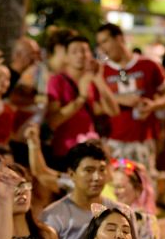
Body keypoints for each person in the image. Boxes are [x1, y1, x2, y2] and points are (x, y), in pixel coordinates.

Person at [96, 23, 165, 174]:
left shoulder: (149, 65)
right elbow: (96, 106)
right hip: (114, 142)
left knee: (145, 186)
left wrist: (153, 105)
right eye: (100, 44)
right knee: (117, 189)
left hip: (144, 140)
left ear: (119, 39)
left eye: (105, 41)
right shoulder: (101, 71)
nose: (103, 48)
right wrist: (119, 99)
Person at [41, 140, 125, 239]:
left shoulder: (122, 213)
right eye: (89, 170)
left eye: (102, 170)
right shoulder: (52, 216)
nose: (97, 177)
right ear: (71, 174)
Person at [46, 35, 119, 169]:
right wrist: (81, 97)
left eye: (85, 51)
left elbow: (113, 111)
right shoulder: (57, 81)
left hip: (88, 153)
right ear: (66, 57)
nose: (81, 55)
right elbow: (53, 121)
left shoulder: (91, 81)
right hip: (65, 153)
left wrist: (98, 79)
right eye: (74, 51)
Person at [111, 158, 159, 239]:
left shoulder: (144, 219)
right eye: (114, 187)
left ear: (138, 189)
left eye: (121, 187)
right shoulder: (120, 215)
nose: (115, 192)